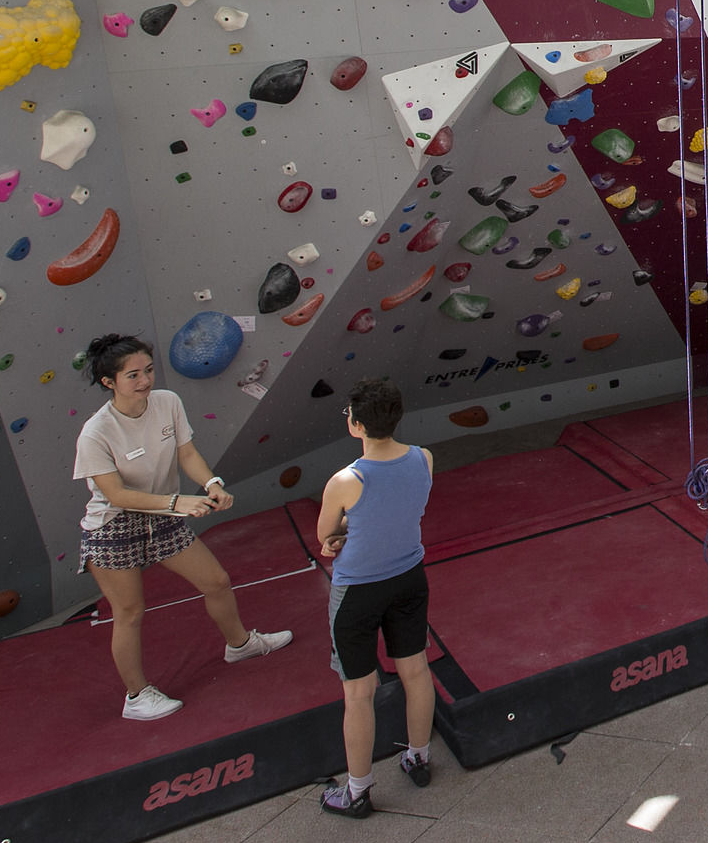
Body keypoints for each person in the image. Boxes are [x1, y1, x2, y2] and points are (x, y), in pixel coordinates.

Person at [71, 334, 292, 721]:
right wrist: (178, 503)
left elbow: (186, 452)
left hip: (164, 515)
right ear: (109, 382)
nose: (145, 381)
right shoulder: (95, 433)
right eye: (133, 375)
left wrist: (211, 485)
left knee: (217, 581)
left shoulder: (167, 403)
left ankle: (239, 644)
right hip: (113, 526)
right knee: (130, 612)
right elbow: (116, 494)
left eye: (149, 371)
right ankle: (137, 697)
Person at [314, 377, 436, 817]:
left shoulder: (345, 480)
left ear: (357, 425)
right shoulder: (423, 458)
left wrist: (337, 538)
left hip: (358, 592)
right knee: (416, 671)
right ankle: (419, 757)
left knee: (358, 691)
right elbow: (400, 510)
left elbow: (326, 534)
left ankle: (358, 790)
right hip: (409, 577)